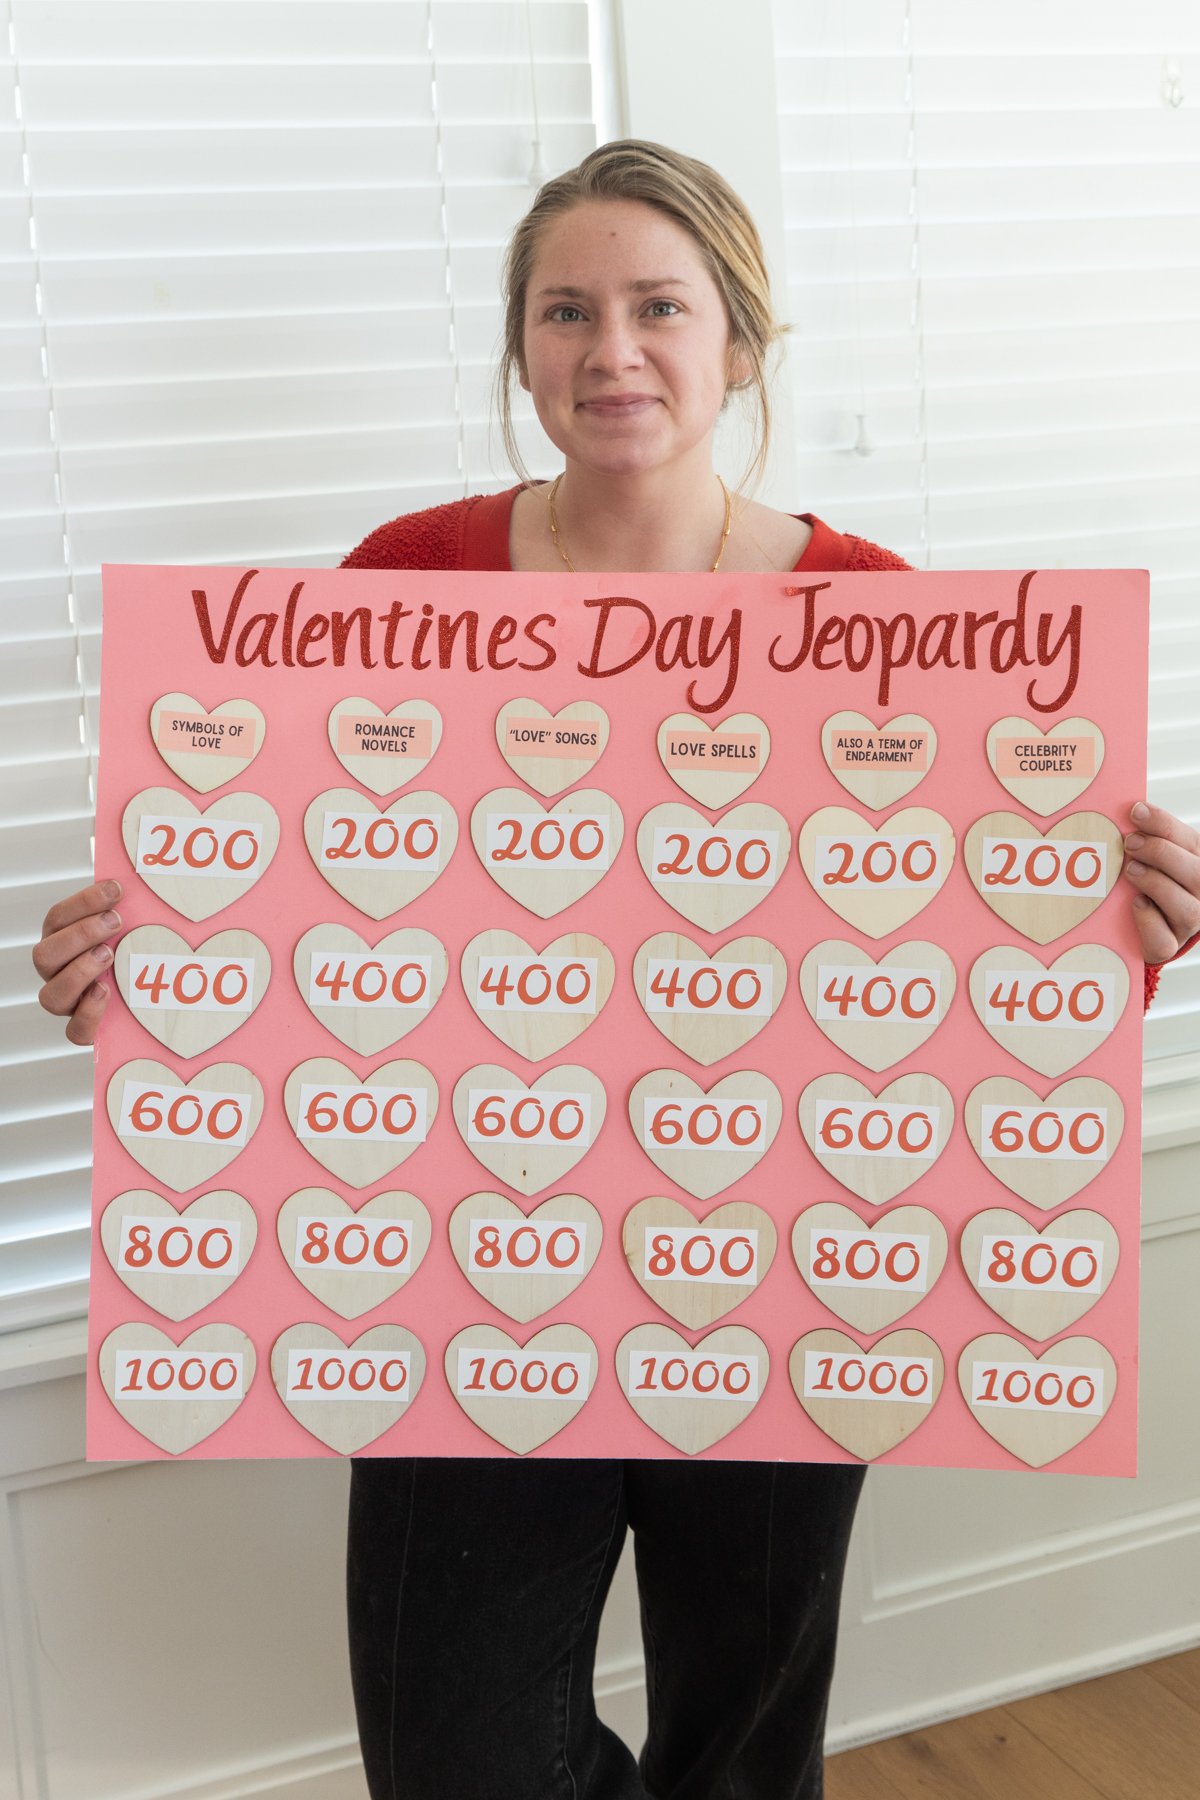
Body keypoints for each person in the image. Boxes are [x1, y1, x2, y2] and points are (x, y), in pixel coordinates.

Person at [32, 140, 1200, 1799]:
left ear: (742, 342)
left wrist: (1117, 934)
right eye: (566, 310)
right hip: (460, 1263)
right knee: (456, 1748)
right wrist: (140, 973)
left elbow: (960, 992)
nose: (612, 350)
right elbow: (299, 922)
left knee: (745, 1742)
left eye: (661, 306)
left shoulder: (881, 619)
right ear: (520, 347)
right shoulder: (403, 588)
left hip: (788, 1270)